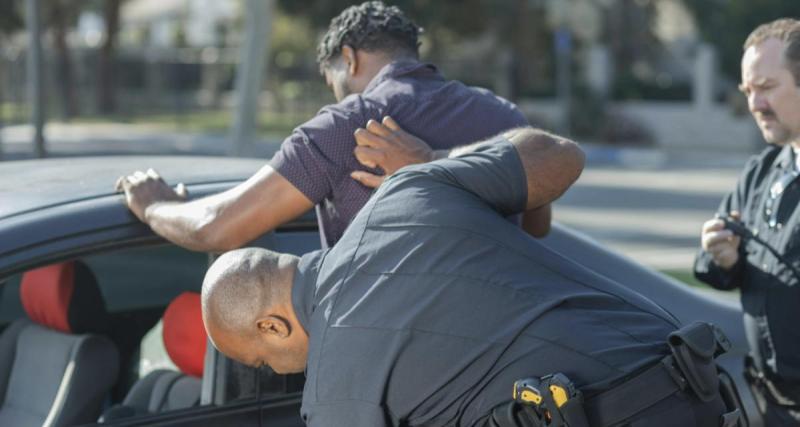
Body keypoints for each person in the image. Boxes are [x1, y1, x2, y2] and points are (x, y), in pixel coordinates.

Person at [203, 127, 735, 426]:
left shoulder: (334, 395)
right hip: (699, 390)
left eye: (259, 360)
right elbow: (562, 156)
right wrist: (433, 161)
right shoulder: (404, 194)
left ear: (272, 325)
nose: (273, 372)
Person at [115, 1, 546, 251]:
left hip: (388, 364)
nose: (336, 96)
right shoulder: (503, 116)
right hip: (497, 352)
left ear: (349, 58)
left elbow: (216, 226)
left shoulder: (349, 125)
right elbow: (537, 228)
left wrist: (154, 206)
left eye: (332, 82)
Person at [694, 18, 800, 426]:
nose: (754, 105)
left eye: (767, 87)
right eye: (748, 91)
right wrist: (721, 257)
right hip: (771, 404)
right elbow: (720, 273)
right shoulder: (762, 171)